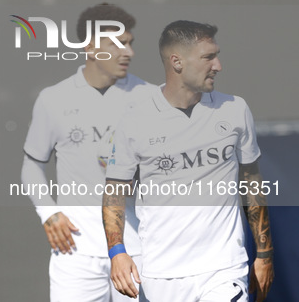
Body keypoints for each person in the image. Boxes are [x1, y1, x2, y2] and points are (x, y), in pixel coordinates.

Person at [102, 20, 274, 302]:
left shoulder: (235, 109)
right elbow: (114, 193)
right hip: (161, 274)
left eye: (216, 55)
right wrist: (117, 252)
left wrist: (264, 254)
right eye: (208, 57)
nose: (218, 65)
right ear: (177, 62)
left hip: (224, 269)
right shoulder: (134, 120)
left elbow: (251, 183)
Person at [20, 4, 155, 301]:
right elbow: (31, 166)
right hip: (74, 253)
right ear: (91, 47)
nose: (128, 53)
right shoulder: (53, 99)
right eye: (117, 44)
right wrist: (49, 212)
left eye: (130, 44)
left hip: (138, 250)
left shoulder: (152, 98)